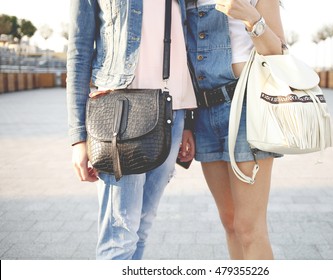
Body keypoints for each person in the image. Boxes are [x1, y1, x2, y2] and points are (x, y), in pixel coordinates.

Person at [66, 0, 197, 260]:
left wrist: (189, 123)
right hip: (122, 114)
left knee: (141, 229)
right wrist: (78, 137)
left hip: (174, 113)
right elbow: (79, 52)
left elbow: (187, 46)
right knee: (119, 237)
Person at [185, 0, 286, 259]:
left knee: (249, 227)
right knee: (229, 221)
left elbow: (278, 52)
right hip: (204, 112)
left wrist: (252, 17)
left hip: (246, 108)